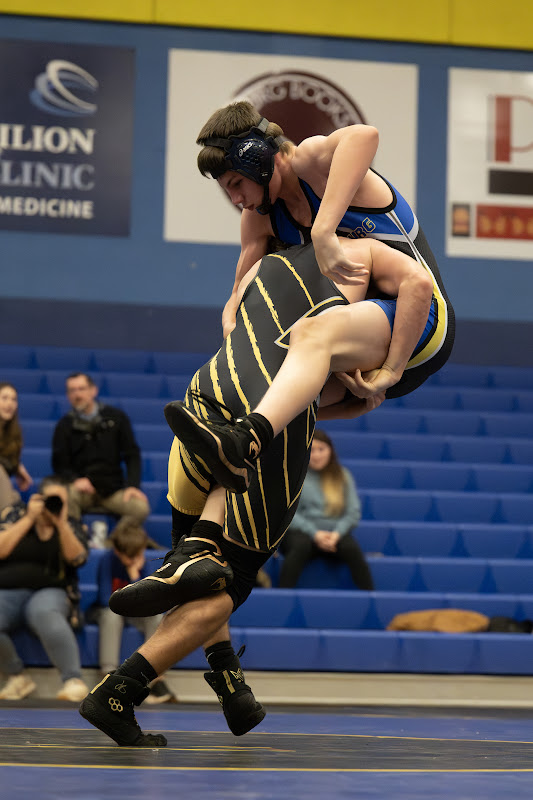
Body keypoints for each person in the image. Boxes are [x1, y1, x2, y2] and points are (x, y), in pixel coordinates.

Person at [78, 234, 437, 748]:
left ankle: (228, 677)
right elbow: (417, 287)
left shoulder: (259, 267)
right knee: (228, 584)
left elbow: (236, 304)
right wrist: (388, 373)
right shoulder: (353, 264)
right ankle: (121, 690)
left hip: (207, 397)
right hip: (262, 436)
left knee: (199, 569)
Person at [196, 101, 454, 349]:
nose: (236, 200)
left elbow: (365, 135)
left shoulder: (312, 163)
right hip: (360, 332)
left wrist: (323, 231)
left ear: (258, 160)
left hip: (423, 319)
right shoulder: (260, 218)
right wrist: (232, 327)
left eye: (236, 184)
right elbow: (237, 295)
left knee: (303, 352)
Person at [0, 476, 89, 702]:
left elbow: (77, 558)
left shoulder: (71, 524)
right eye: (50, 500)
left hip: (52, 590)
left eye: (61, 501)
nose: (55, 505)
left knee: (43, 612)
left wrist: (60, 523)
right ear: (38, 498)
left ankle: (72, 680)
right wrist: (30, 518)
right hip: (9, 591)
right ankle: (16, 677)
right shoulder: (15, 514)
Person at [51, 373, 150, 533]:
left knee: (140, 508)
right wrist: (75, 480)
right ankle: (77, 543)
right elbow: (59, 465)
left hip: (112, 489)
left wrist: (133, 485)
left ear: (93, 391)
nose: (77, 394)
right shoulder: (63, 426)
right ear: (68, 395)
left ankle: (113, 546)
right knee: (66, 497)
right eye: (72, 390)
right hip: (82, 490)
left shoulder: (117, 418)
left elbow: (132, 454)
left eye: (81, 389)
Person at [278, 429, 373, 590]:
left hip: (334, 535)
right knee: (300, 546)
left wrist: (336, 535)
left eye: (321, 449)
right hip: (301, 534)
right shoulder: (294, 475)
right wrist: (315, 534)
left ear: (330, 450)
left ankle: (371, 597)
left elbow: (353, 512)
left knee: (351, 548)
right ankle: (282, 595)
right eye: (312, 450)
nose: (316, 455)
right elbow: (288, 513)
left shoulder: (343, 475)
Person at [96, 524, 176, 704]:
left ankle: (156, 679)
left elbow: (150, 600)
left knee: (156, 617)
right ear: (117, 551)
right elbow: (104, 599)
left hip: (136, 611)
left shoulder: (142, 561)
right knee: (111, 616)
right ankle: (108, 675)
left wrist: (136, 578)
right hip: (114, 610)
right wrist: (133, 580)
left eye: (139, 554)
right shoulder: (107, 560)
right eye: (130, 557)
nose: (135, 560)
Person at [0, 383, 32, 512]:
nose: (10, 404)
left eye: (14, 399)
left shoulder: (14, 432)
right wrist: (16, 467)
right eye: (4, 398)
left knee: (15, 497)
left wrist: (16, 466)